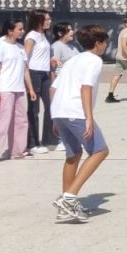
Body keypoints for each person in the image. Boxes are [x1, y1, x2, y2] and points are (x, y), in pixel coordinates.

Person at [49, 24, 112, 222]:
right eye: (105, 42)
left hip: (60, 111)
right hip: (76, 112)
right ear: (98, 43)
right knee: (100, 150)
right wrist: (89, 117)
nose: (106, 46)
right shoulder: (94, 60)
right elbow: (86, 88)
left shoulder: (73, 60)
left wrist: (55, 117)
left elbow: (53, 88)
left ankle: (65, 205)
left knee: (73, 154)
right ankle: (69, 198)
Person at [0, 17, 35, 163]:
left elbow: (25, 70)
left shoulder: (20, 48)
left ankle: (17, 151)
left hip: (19, 89)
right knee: (3, 121)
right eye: (19, 29)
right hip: (6, 88)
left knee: (21, 121)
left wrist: (30, 89)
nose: (22, 31)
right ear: (10, 31)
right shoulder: (1, 45)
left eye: (23, 29)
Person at [23, 10, 58, 153]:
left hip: (45, 73)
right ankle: (32, 143)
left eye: (50, 19)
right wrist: (26, 79)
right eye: (47, 19)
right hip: (34, 73)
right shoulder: (31, 36)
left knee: (51, 105)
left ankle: (50, 140)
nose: (49, 21)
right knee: (34, 109)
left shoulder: (43, 35)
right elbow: (24, 58)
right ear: (38, 20)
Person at [48, 22, 78, 155]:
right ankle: (61, 140)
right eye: (69, 30)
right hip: (61, 84)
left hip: (73, 84)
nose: (72, 32)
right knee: (61, 112)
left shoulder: (72, 46)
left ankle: (72, 138)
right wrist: (54, 85)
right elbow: (53, 68)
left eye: (72, 29)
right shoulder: (57, 47)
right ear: (60, 33)